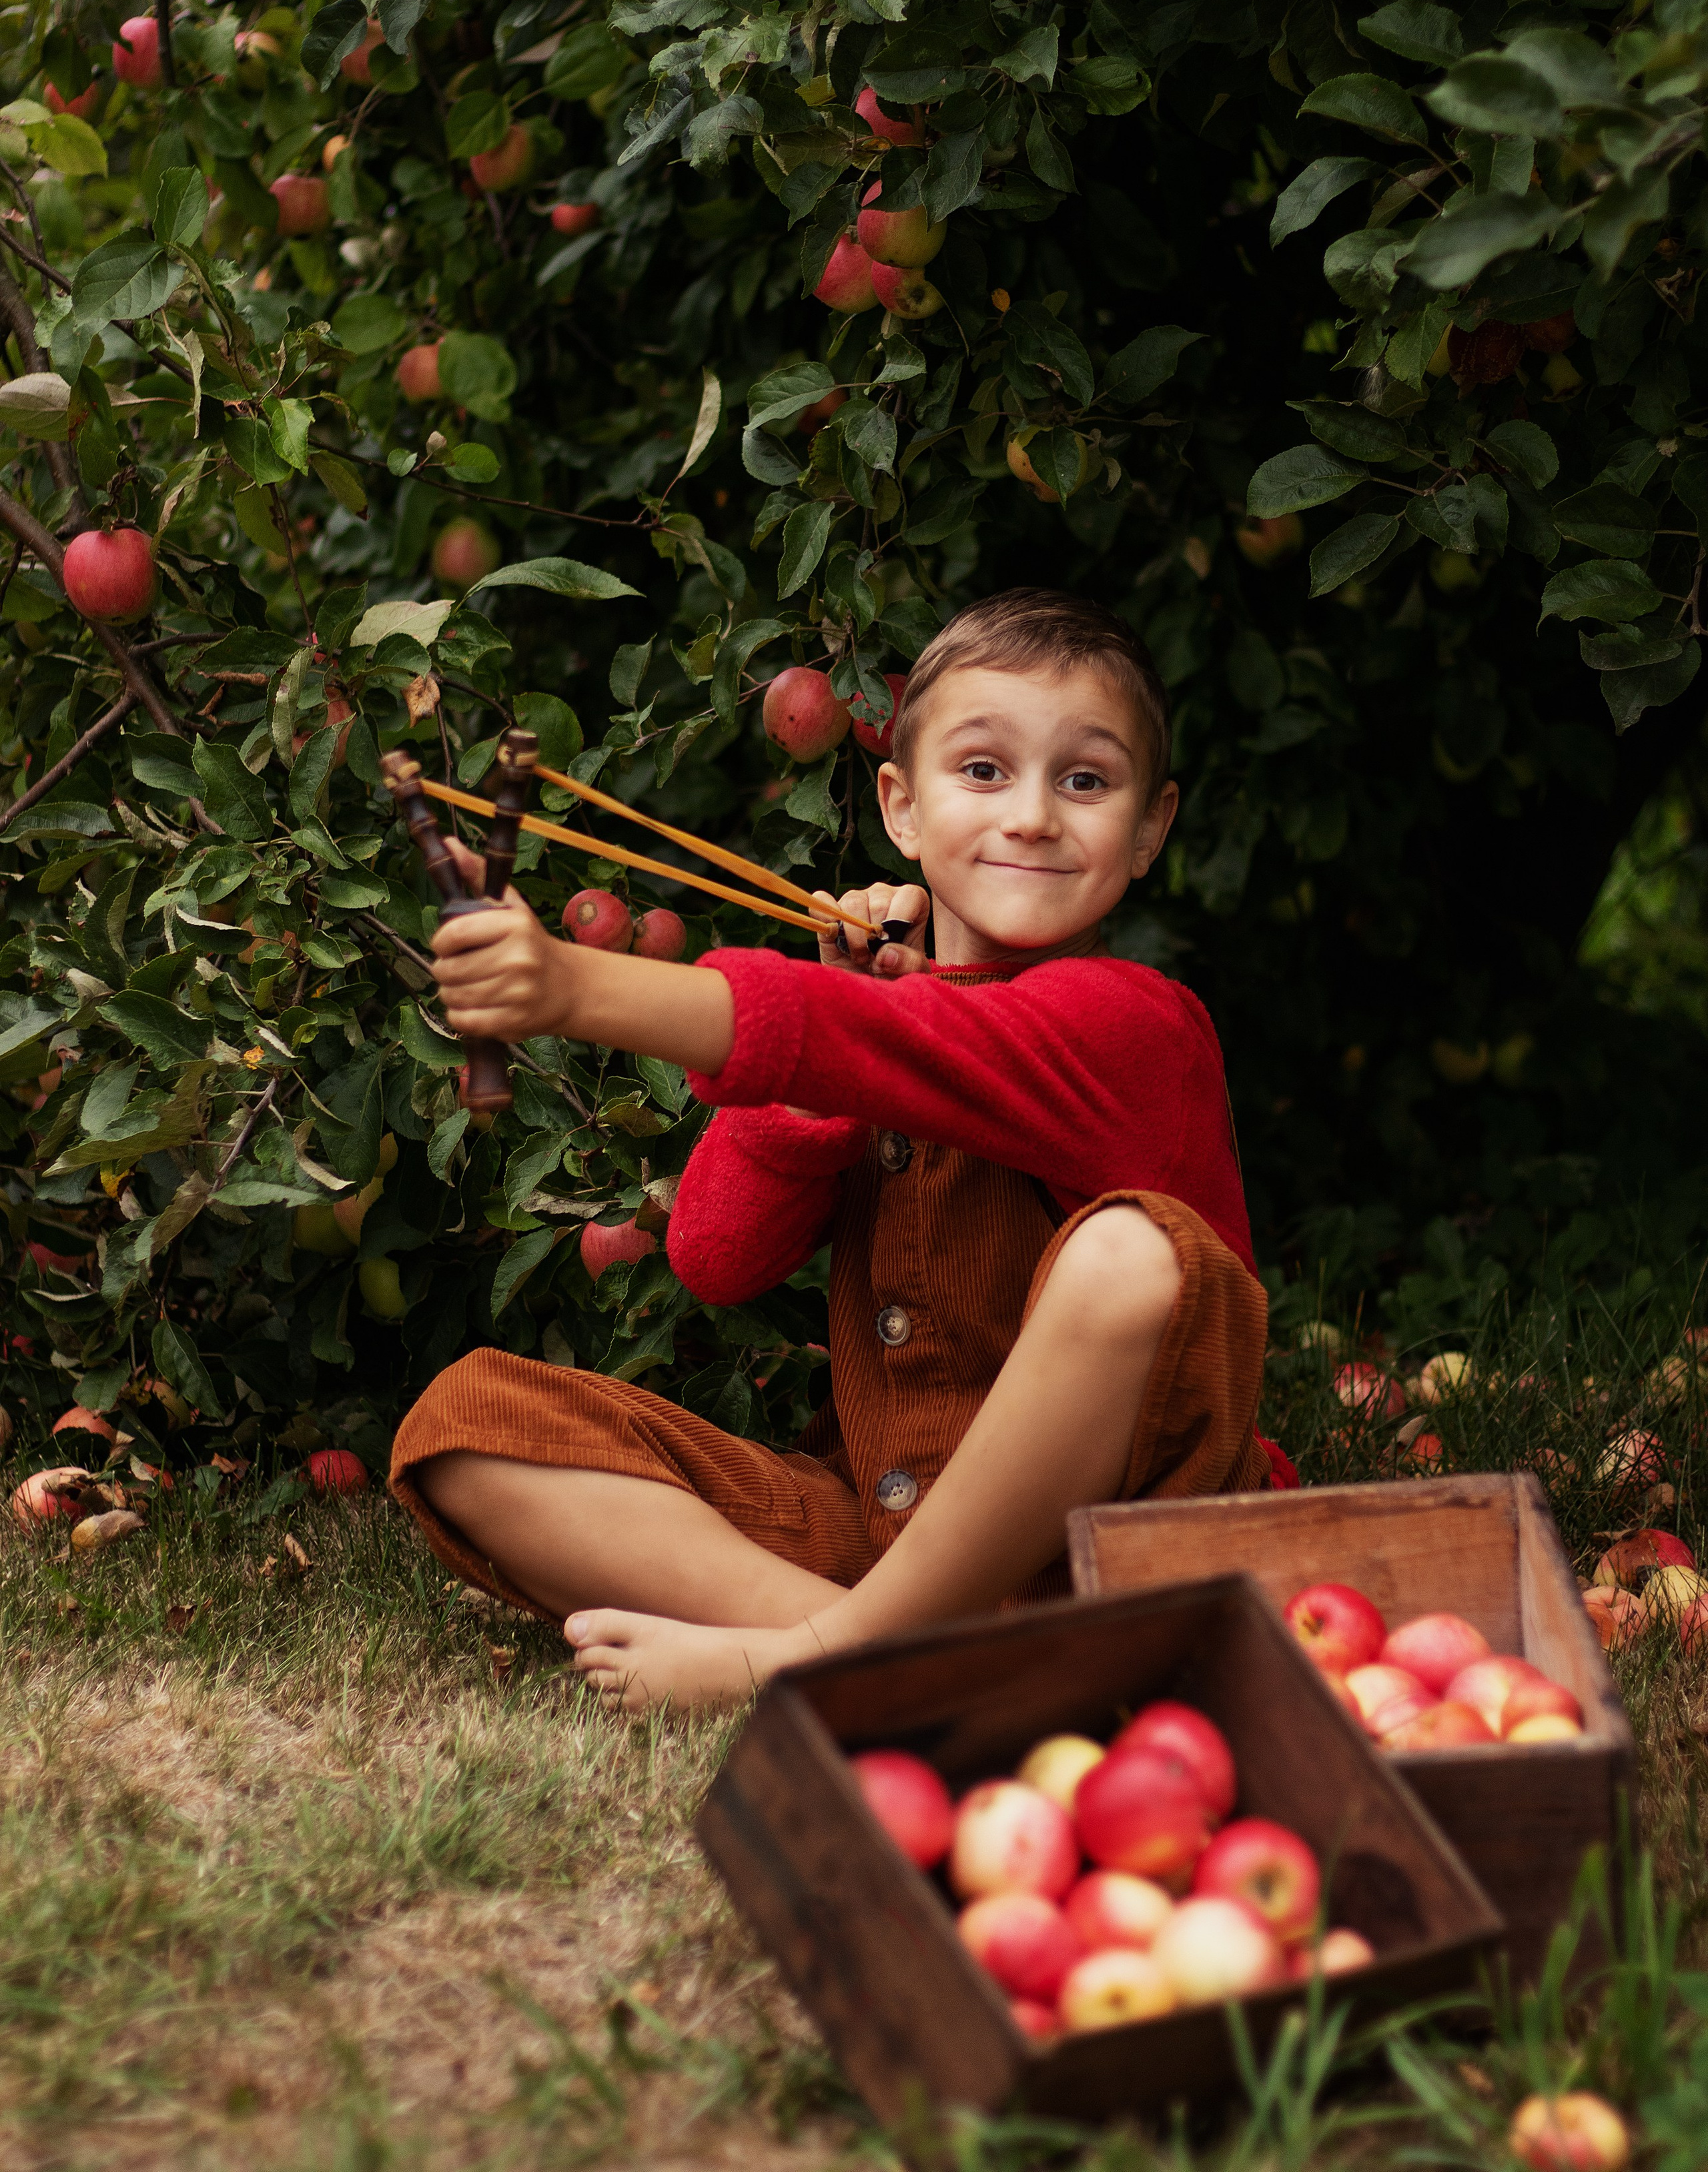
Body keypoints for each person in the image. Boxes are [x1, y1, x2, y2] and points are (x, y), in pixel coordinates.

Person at [390, 589, 1275, 1712]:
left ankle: (827, 1652)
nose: (1036, 817)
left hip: (1148, 1537)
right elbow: (715, 1255)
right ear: (902, 809)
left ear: (1151, 829)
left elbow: (917, 1043)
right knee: (469, 1425)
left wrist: (577, 987)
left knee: (1134, 1255)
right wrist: (822, 1090)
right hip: (889, 1521)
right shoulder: (878, 1017)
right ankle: (932, 1651)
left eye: (1087, 781)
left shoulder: (1137, 1023)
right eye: (985, 772)